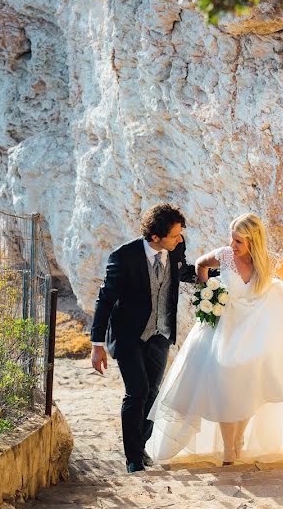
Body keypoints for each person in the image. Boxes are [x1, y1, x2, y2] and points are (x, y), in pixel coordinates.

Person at [147, 213, 283, 465]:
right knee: (225, 377)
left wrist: (275, 302)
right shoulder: (225, 255)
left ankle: (238, 438)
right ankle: (229, 447)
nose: (232, 244)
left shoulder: (270, 262)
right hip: (225, 327)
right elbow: (201, 266)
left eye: (238, 241)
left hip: (256, 330)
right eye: (232, 237)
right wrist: (207, 293)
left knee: (250, 383)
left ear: (253, 242)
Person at [90, 203, 197, 473]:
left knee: (152, 393)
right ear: (155, 237)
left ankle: (142, 447)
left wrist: (221, 275)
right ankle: (134, 459)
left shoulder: (176, 249)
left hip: (161, 333)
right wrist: (97, 344)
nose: (179, 239)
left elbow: (183, 273)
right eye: (174, 235)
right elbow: (105, 301)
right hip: (129, 336)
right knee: (136, 392)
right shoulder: (123, 257)